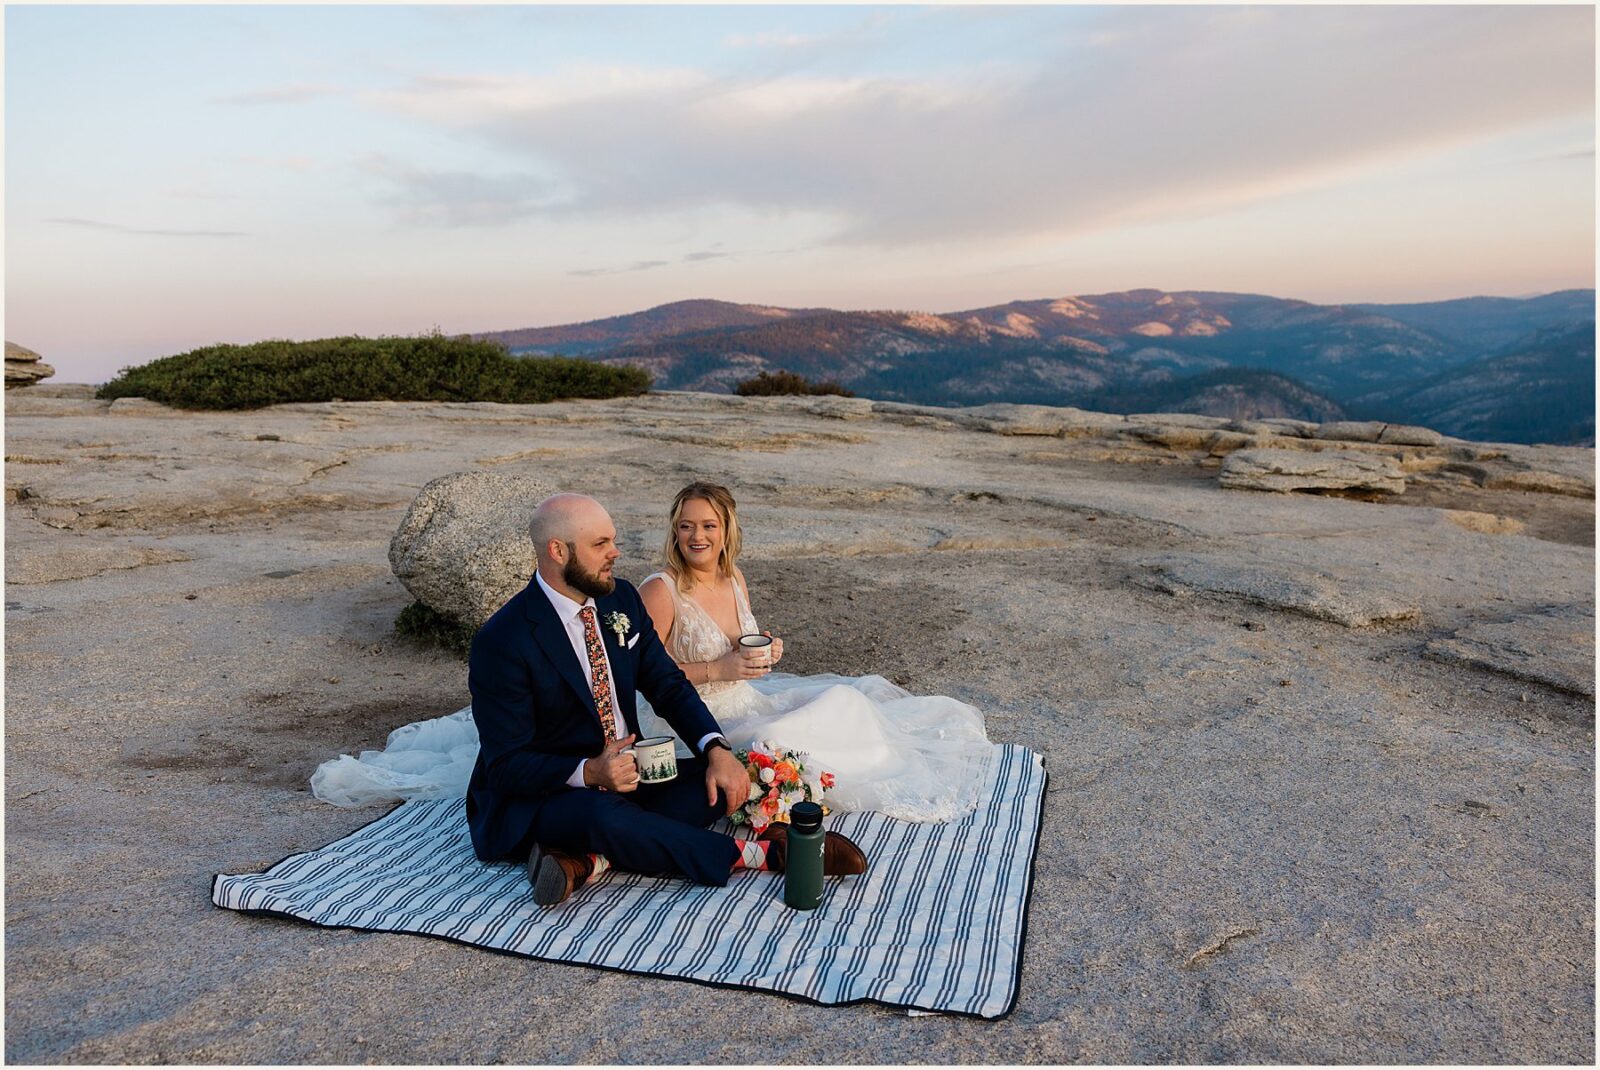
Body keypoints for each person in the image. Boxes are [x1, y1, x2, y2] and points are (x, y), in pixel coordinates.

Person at [344, 492, 867, 907]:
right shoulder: (503, 641)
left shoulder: (618, 600)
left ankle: (579, 863)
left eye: (612, 539)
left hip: (631, 774)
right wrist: (590, 773)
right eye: (601, 544)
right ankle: (762, 856)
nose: (616, 552)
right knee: (604, 819)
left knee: (717, 782)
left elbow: (666, 683)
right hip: (547, 793)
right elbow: (506, 765)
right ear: (558, 552)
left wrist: (714, 749)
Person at [634, 482, 994, 824]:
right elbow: (641, 674)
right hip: (694, 721)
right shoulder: (661, 591)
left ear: (727, 530)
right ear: (674, 531)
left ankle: (871, 766)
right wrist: (719, 668)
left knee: (847, 699)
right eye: (687, 526)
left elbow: (737, 646)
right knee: (783, 737)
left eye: (708, 525)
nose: (698, 536)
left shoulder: (734, 578)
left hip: (746, 700)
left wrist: (764, 649)